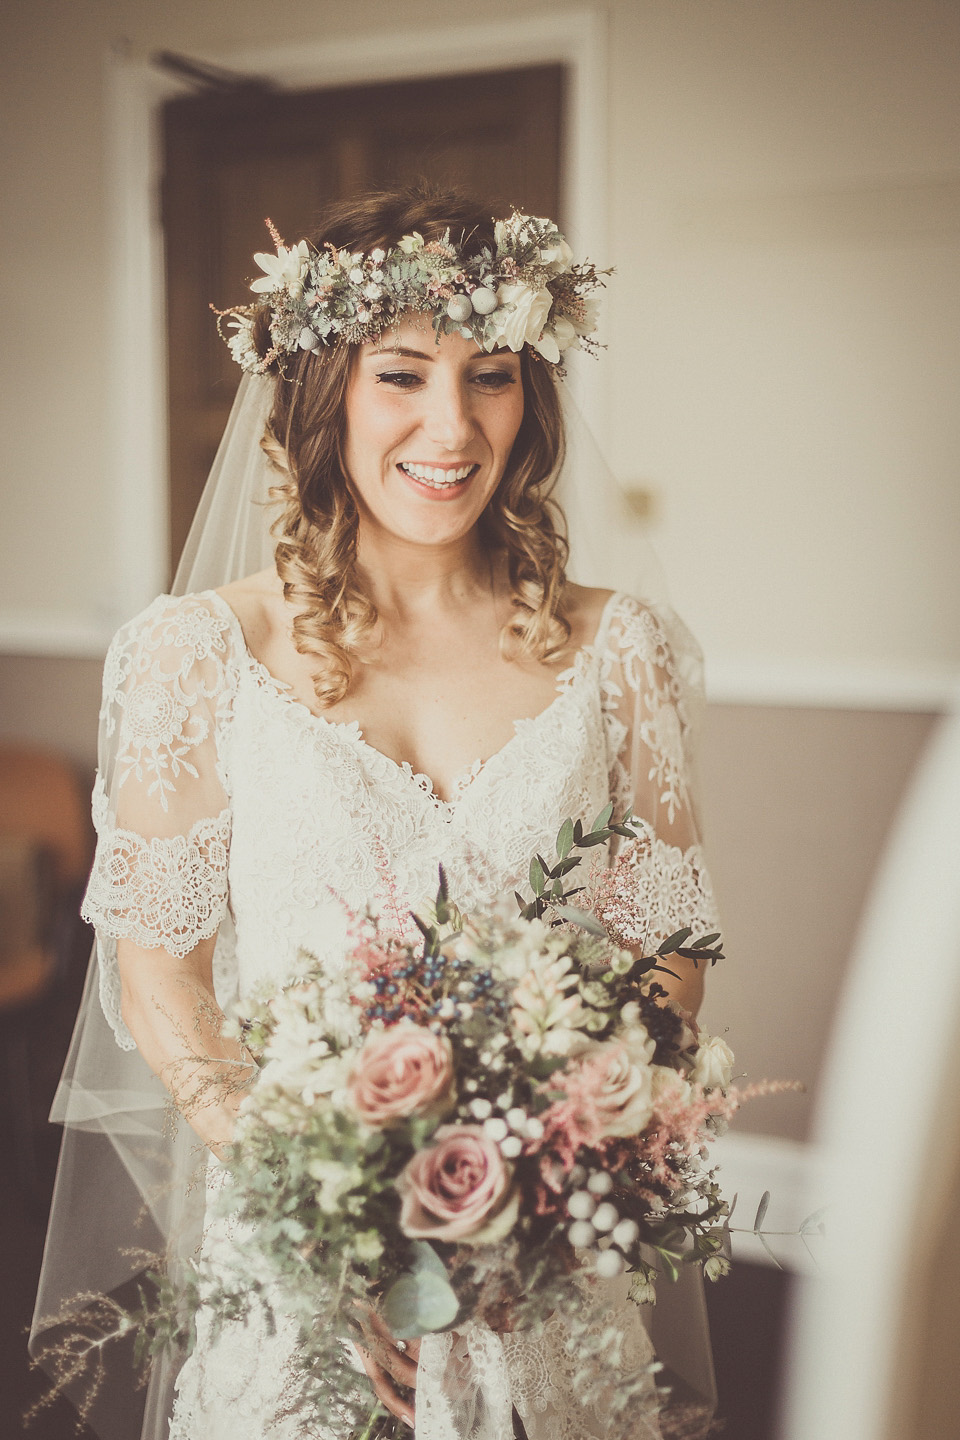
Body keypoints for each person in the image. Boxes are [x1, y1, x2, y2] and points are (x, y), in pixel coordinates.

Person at [31, 186, 719, 1440]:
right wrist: (330, 1214)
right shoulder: (193, 655)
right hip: (300, 1253)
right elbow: (161, 980)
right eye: (400, 374)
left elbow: (666, 957)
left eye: (493, 375)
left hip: (545, 1259)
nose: (451, 426)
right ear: (321, 393)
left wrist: (551, 1172)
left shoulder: (625, 651)